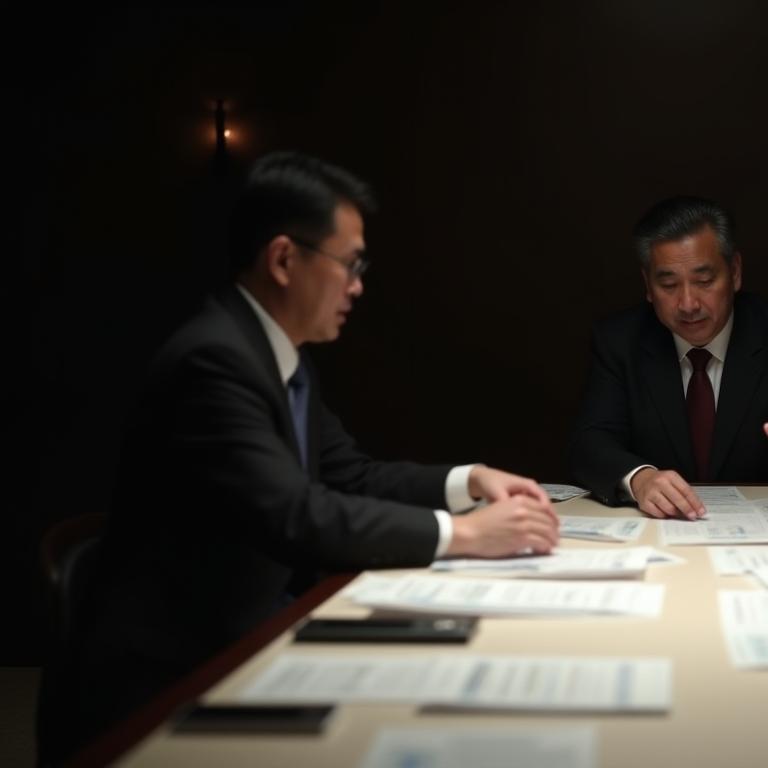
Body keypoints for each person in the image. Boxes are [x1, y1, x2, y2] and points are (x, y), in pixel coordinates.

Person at [56, 152, 559, 756]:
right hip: (172, 679)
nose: (358, 285)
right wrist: (468, 534)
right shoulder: (213, 360)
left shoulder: (278, 356)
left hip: (259, 634)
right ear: (284, 259)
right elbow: (295, 513)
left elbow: (351, 476)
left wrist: (471, 479)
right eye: (350, 264)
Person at [570, 196, 768, 519]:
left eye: (704, 281)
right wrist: (639, 479)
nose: (688, 304)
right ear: (648, 285)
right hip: (656, 529)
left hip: (759, 529)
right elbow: (590, 444)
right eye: (668, 284)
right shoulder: (619, 341)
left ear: (735, 272)